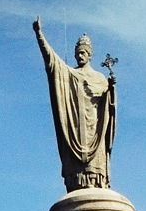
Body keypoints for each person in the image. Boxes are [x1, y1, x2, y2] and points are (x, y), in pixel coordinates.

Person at [33, 18, 117, 192]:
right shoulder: (69, 75)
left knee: (96, 166)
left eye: (83, 53)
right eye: (77, 53)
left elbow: (108, 108)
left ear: (90, 55)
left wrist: (111, 89)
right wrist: (39, 35)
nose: (79, 56)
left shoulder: (99, 79)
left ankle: (96, 180)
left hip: (95, 133)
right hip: (75, 131)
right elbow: (51, 60)